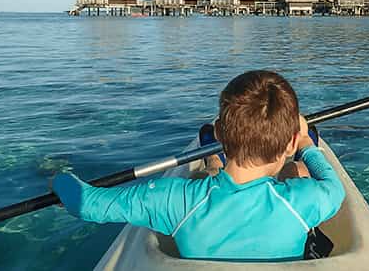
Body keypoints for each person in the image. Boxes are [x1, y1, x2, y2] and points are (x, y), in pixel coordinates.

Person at [52, 70, 345, 261]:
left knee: (209, 177)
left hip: (204, 189)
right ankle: (221, 162)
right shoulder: (304, 201)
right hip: (292, 172)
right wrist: (307, 145)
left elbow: (86, 203)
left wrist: (60, 178)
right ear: (290, 144)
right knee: (298, 173)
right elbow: (334, 187)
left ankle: (212, 159)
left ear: (219, 134)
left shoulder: (170, 198)